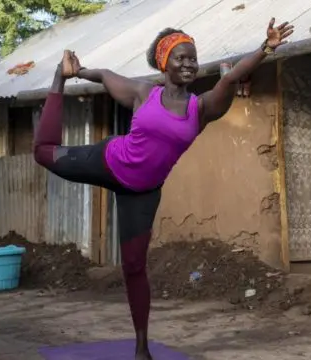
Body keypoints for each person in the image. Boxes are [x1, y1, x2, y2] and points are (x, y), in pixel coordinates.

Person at [33, 17, 294, 360]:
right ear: (164, 63)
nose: (189, 64)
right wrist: (74, 73)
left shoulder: (200, 109)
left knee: (134, 267)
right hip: (109, 162)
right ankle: (55, 80)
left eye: (192, 58)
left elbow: (229, 77)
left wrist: (265, 49)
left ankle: (142, 348)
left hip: (142, 192)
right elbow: (107, 76)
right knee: (43, 153)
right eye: (180, 57)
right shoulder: (144, 93)